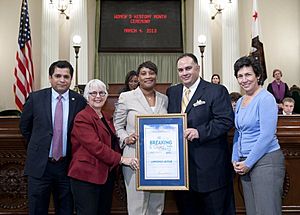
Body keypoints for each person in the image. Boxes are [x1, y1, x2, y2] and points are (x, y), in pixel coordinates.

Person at [166, 53, 235, 214]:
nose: (185, 73)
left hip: (210, 171)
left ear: (198, 68)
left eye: (188, 68)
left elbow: (225, 121)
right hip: (182, 173)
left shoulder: (216, 90)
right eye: (181, 70)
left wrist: (200, 132)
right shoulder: (173, 92)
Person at [19, 60, 87, 215]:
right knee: (37, 209)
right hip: (40, 167)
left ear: (71, 79)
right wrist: (40, 146)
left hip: (66, 167)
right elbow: (25, 127)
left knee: (66, 209)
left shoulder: (80, 101)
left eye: (66, 76)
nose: (62, 80)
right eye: (58, 76)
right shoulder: (35, 98)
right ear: (50, 78)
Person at [68, 79, 138, 215]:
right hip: (86, 177)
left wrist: (128, 139)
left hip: (105, 175)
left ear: (106, 96)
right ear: (86, 97)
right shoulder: (82, 117)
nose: (98, 96)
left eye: (101, 93)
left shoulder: (106, 117)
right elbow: (96, 146)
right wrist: (122, 159)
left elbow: (111, 142)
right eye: (93, 93)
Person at [232, 56, 285, 215]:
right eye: (240, 76)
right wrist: (235, 159)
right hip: (245, 162)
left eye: (248, 74)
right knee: (253, 211)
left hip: (266, 161)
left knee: (267, 211)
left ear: (258, 76)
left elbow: (267, 135)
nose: (244, 79)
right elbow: (238, 131)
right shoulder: (241, 101)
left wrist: (248, 162)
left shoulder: (266, 98)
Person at [113, 61, 168, 215]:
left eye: (151, 73)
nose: (148, 76)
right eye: (144, 73)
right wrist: (125, 138)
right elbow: (117, 125)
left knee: (157, 206)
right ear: (138, 77)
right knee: (137, 206)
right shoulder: (126, 97)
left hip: (160, 159)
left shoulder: (164, 99)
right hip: (134, 158)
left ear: (156, 75)